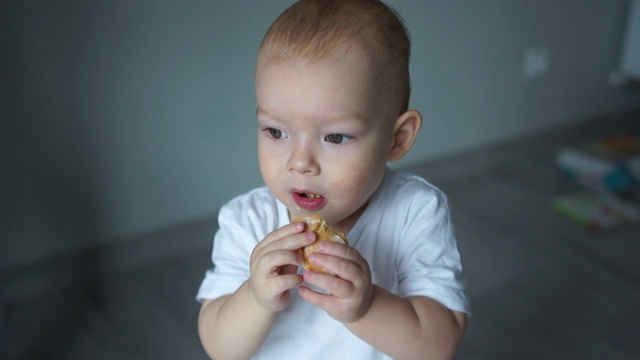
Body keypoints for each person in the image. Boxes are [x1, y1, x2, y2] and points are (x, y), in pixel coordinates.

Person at [196, 0, 469, 358]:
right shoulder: (247, 221)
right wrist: (254, 297)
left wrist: (367, 307)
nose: (300, 163)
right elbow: (219, 347)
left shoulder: (415, 213)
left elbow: (439, 345)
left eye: (335, 137)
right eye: (276, 132)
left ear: (396, 139)